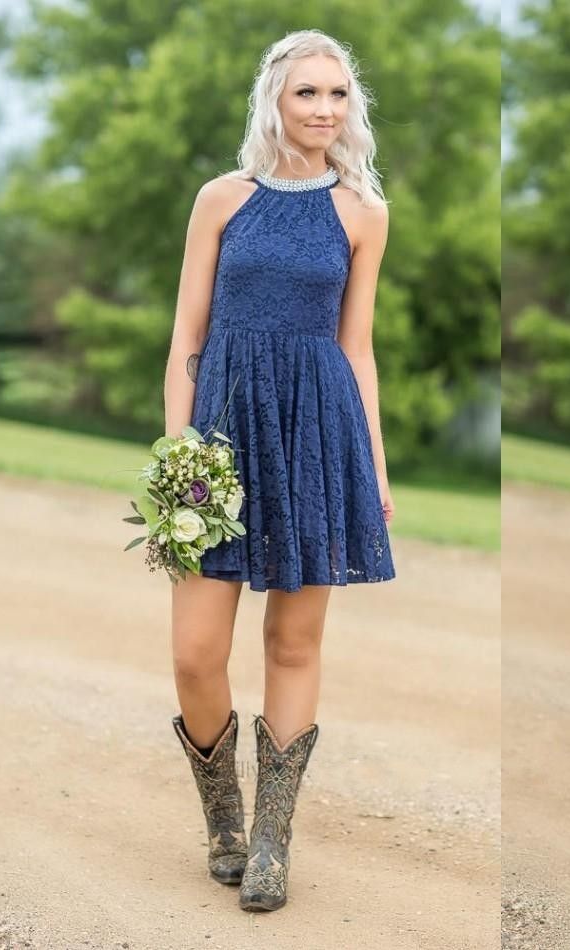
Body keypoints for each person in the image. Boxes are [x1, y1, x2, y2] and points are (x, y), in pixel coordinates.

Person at [163, 29, 396, 913]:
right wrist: (180, 452)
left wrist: (370, 463)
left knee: (292, 644)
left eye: (338, 95)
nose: (324, 110)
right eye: (308, 94)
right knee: (194, 655)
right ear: (275, 100)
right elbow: (187, 337)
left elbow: (358, 349)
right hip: (219, 438)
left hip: (316, 433)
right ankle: (223, 817)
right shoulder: (222, 200)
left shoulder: (362, 213)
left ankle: (270, 842)